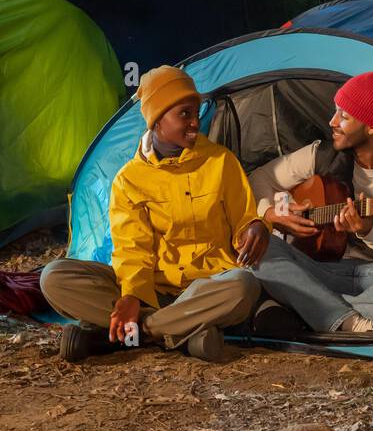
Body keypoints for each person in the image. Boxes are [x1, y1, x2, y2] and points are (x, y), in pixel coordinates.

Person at [40, 66, 269, 364]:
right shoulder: (129, 179)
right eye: (184, 114)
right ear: (157, 120)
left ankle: (140, 333)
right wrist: (132, 297)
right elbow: (132, 248)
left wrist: (256, 226)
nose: (195, 122)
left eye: (196, 112)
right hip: (152, 289)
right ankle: (181, 333)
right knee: (53, 278)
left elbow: (244, 219)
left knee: (244, 286)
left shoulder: (220, 161)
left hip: (206, 289)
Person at [248, 67, 373, 337]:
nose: (332, 121)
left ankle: (312, 309)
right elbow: (257, 179)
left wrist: (370, 231)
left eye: (343, 116)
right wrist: (272, 213)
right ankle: (341, 314)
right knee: (261, 245)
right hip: (322, 270)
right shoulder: (321, 154)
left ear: (371, 126)